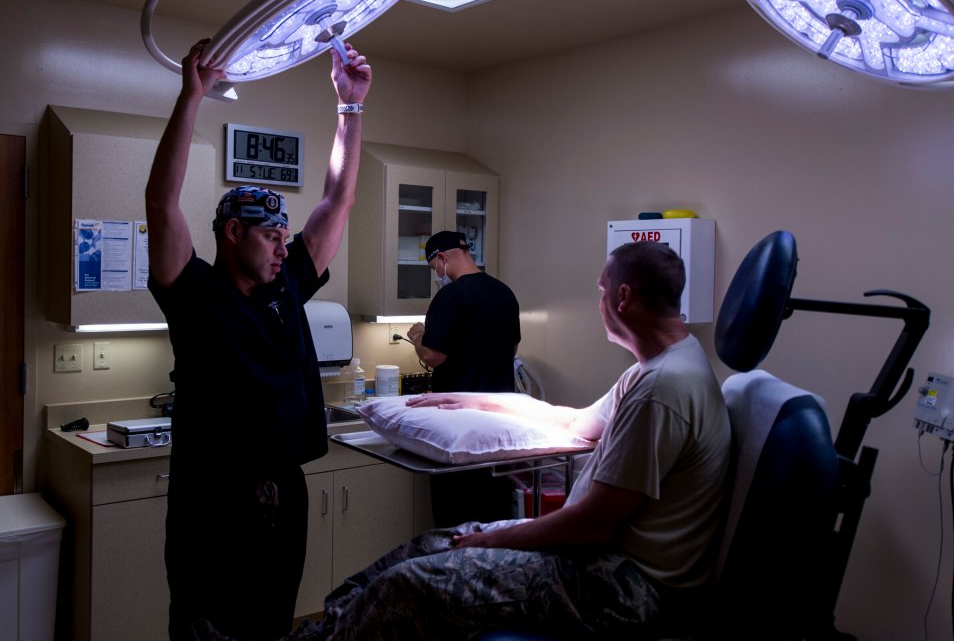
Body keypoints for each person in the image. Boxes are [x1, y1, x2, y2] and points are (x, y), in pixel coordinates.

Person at [242, 240, 732, 640]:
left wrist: (492, 537)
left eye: (601, 292)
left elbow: (592, 525)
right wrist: (473, 401)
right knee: (427, 546)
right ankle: (318, 633)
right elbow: (576, 422)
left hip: (626, 588)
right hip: (601, 563)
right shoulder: (656, 370)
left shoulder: (663, 390)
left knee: (413, 582)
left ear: (622, 297)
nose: (598, 303)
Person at [145, 37, 371, 640]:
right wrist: (192, 94)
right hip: (210, 501)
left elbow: (339, 198)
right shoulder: (193, 293)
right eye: (271, 235)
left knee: (272, 625)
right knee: (206, 628)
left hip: (283, 492)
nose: (282, 246)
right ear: (232, 233)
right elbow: (161, 202)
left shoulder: (289, 282)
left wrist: (350, 106)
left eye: (285, 236)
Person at [406, 229, 522, 525]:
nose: (436, 274)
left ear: (441, 258)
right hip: (499, 423)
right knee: (493, 513)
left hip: (458, 426)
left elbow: (433, 355)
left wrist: (418, 336)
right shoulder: (504, 293)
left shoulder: (451, 296)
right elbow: (512, 350)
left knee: (457, 515)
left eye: (433, 267)